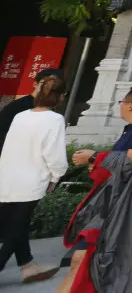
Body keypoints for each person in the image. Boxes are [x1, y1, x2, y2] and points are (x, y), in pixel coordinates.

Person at [63, 83, 132, 293]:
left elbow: (130, 159)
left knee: (84, 257)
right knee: (129, 259)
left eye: (122, 102)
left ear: (130, 104)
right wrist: (98, 162)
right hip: (116, 198)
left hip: (128, 201)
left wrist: (93, 157)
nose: (120, 106)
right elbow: (119, 161)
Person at [0, 72, 68, 284]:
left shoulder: (20, 115)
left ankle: (28, 266)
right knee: (16, 227)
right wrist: (56, 176)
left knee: (15, 224)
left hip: (8, 176)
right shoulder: (55, 119)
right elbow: (54, 155)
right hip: (32, 180)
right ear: (60, 97)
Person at [0, 68, 65, 156]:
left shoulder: (52, 112)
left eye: (53, 86)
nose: (48, 88)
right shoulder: (18, 107)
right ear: (35, 84)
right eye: (44, 84)